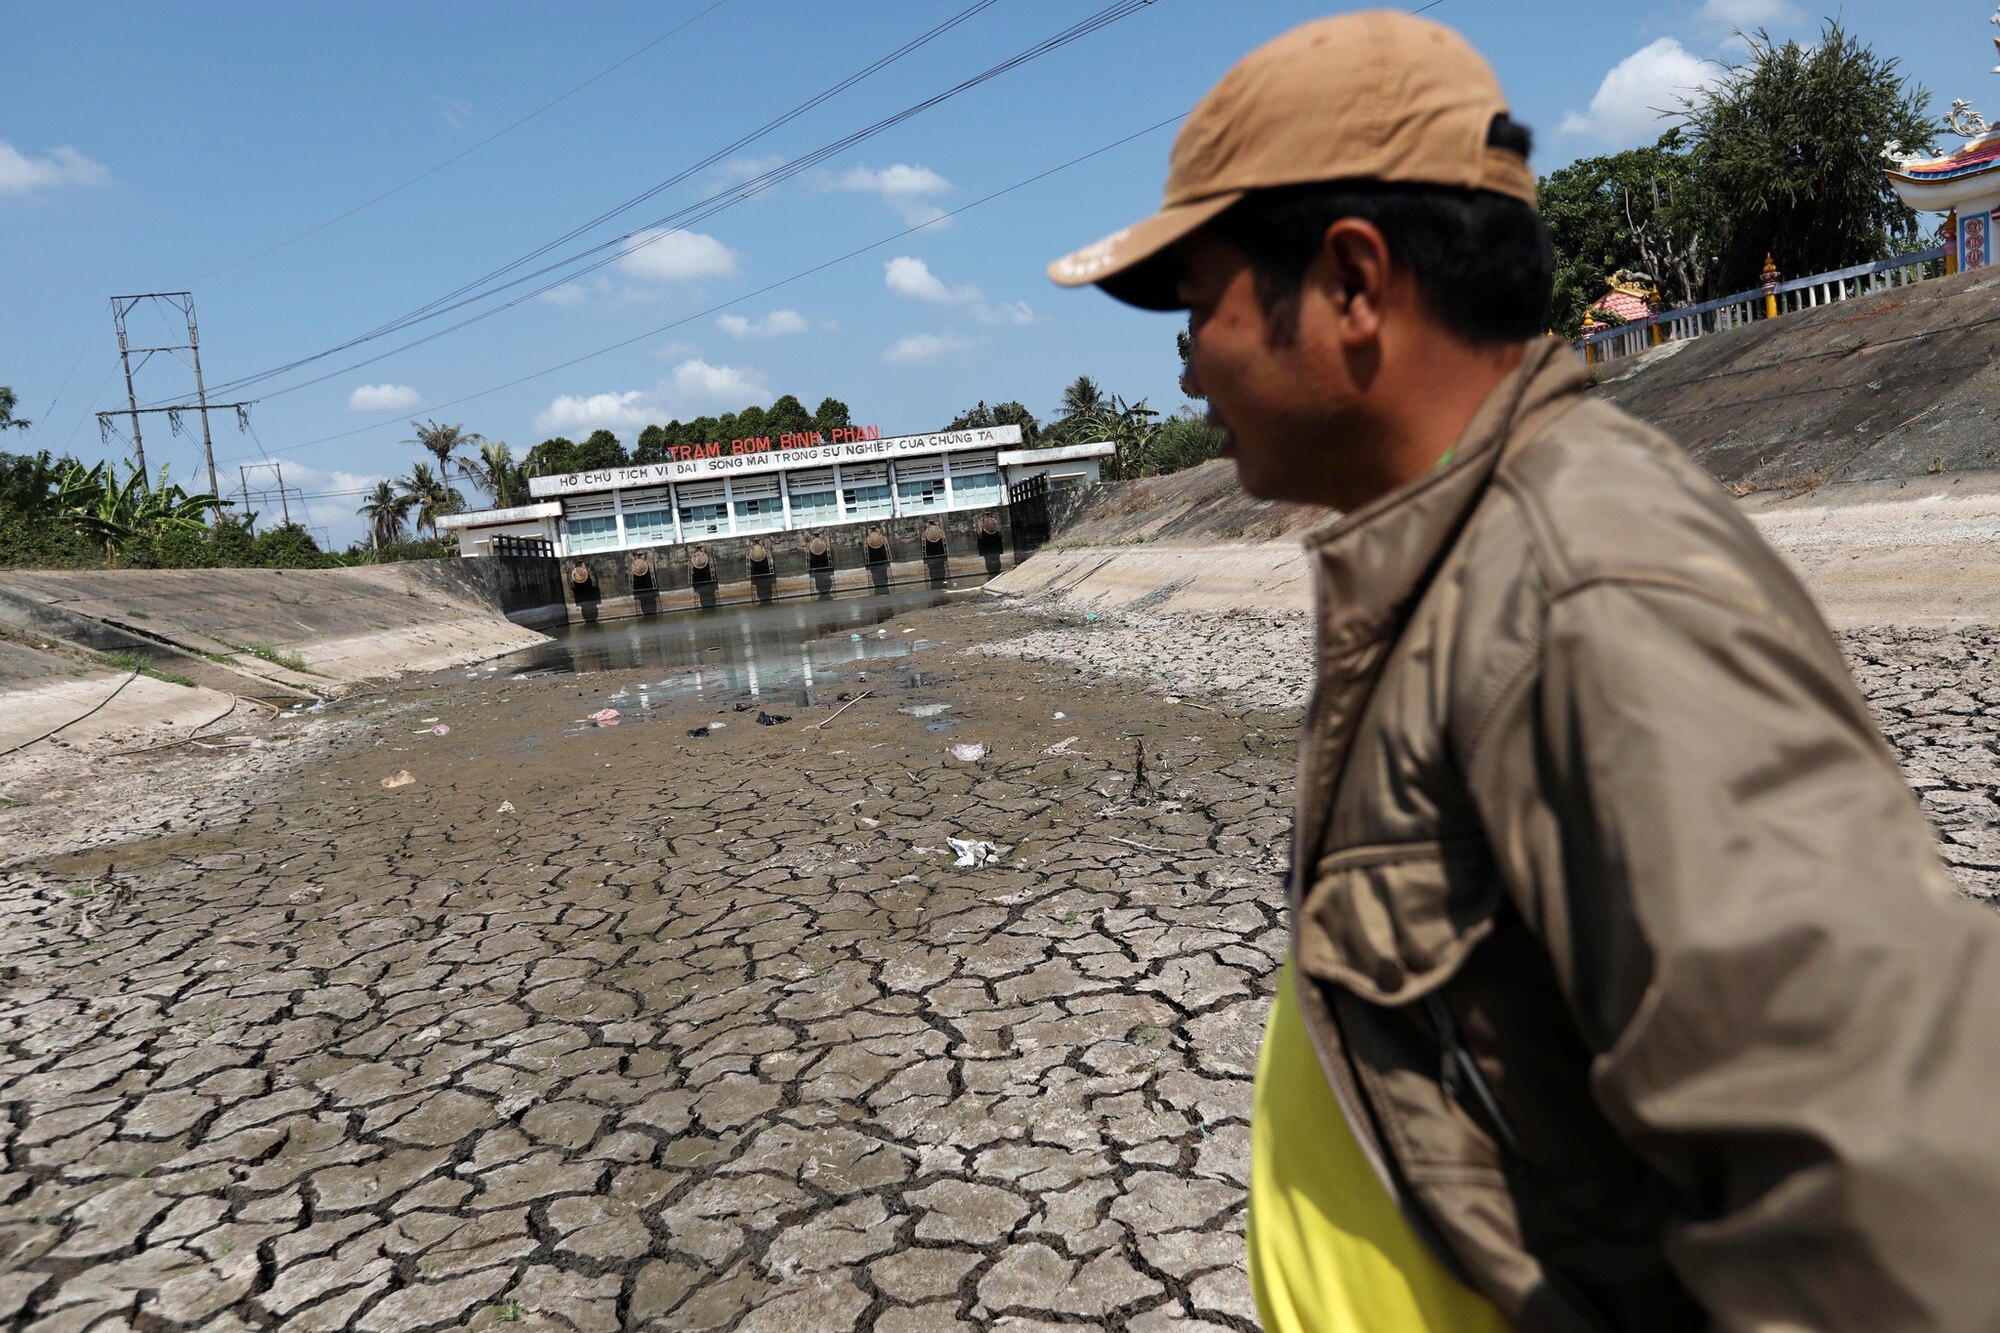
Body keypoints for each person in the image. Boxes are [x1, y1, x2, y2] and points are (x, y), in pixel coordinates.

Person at [1048, 11, 2000, 1331]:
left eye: (1197, 305)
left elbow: (1902, 1201)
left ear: (1355, 282)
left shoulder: (1579, 590)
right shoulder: (1448, 560)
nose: (1191, 362)